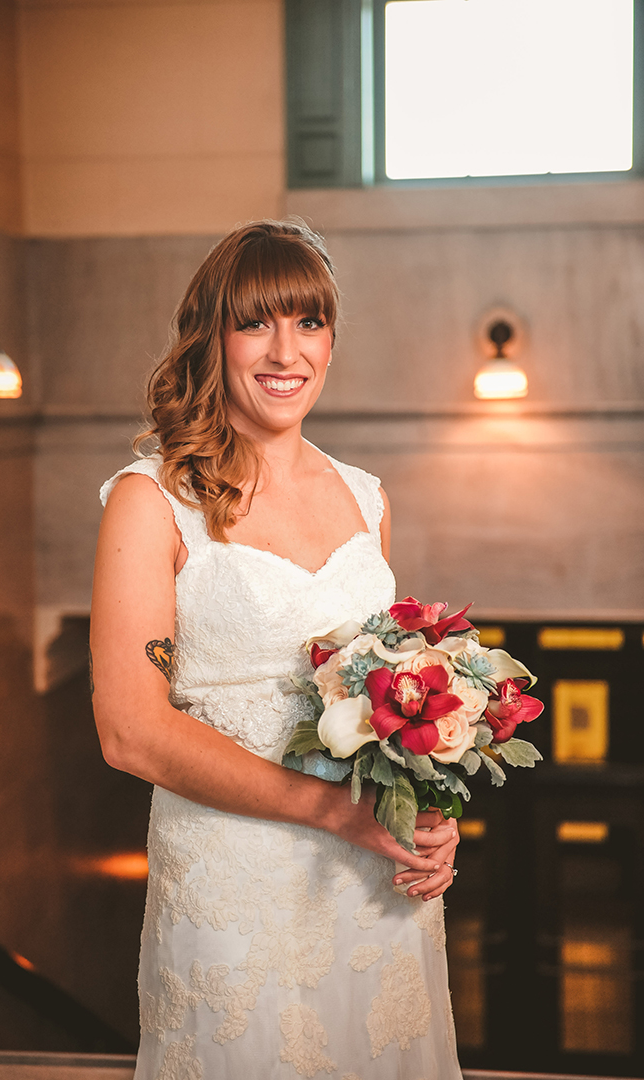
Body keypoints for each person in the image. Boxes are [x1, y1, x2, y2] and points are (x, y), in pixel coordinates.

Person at [90, 220, 462, 1079]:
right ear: (211, 336)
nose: (284, 350)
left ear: (332, 341)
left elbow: (391, 707)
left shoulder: (367, 501)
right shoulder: (152, 502)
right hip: (235, 893)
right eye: (255, 322)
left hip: (378, 895)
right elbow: (129, 732)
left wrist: (428, 823)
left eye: (308, 322)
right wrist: (339, 815)